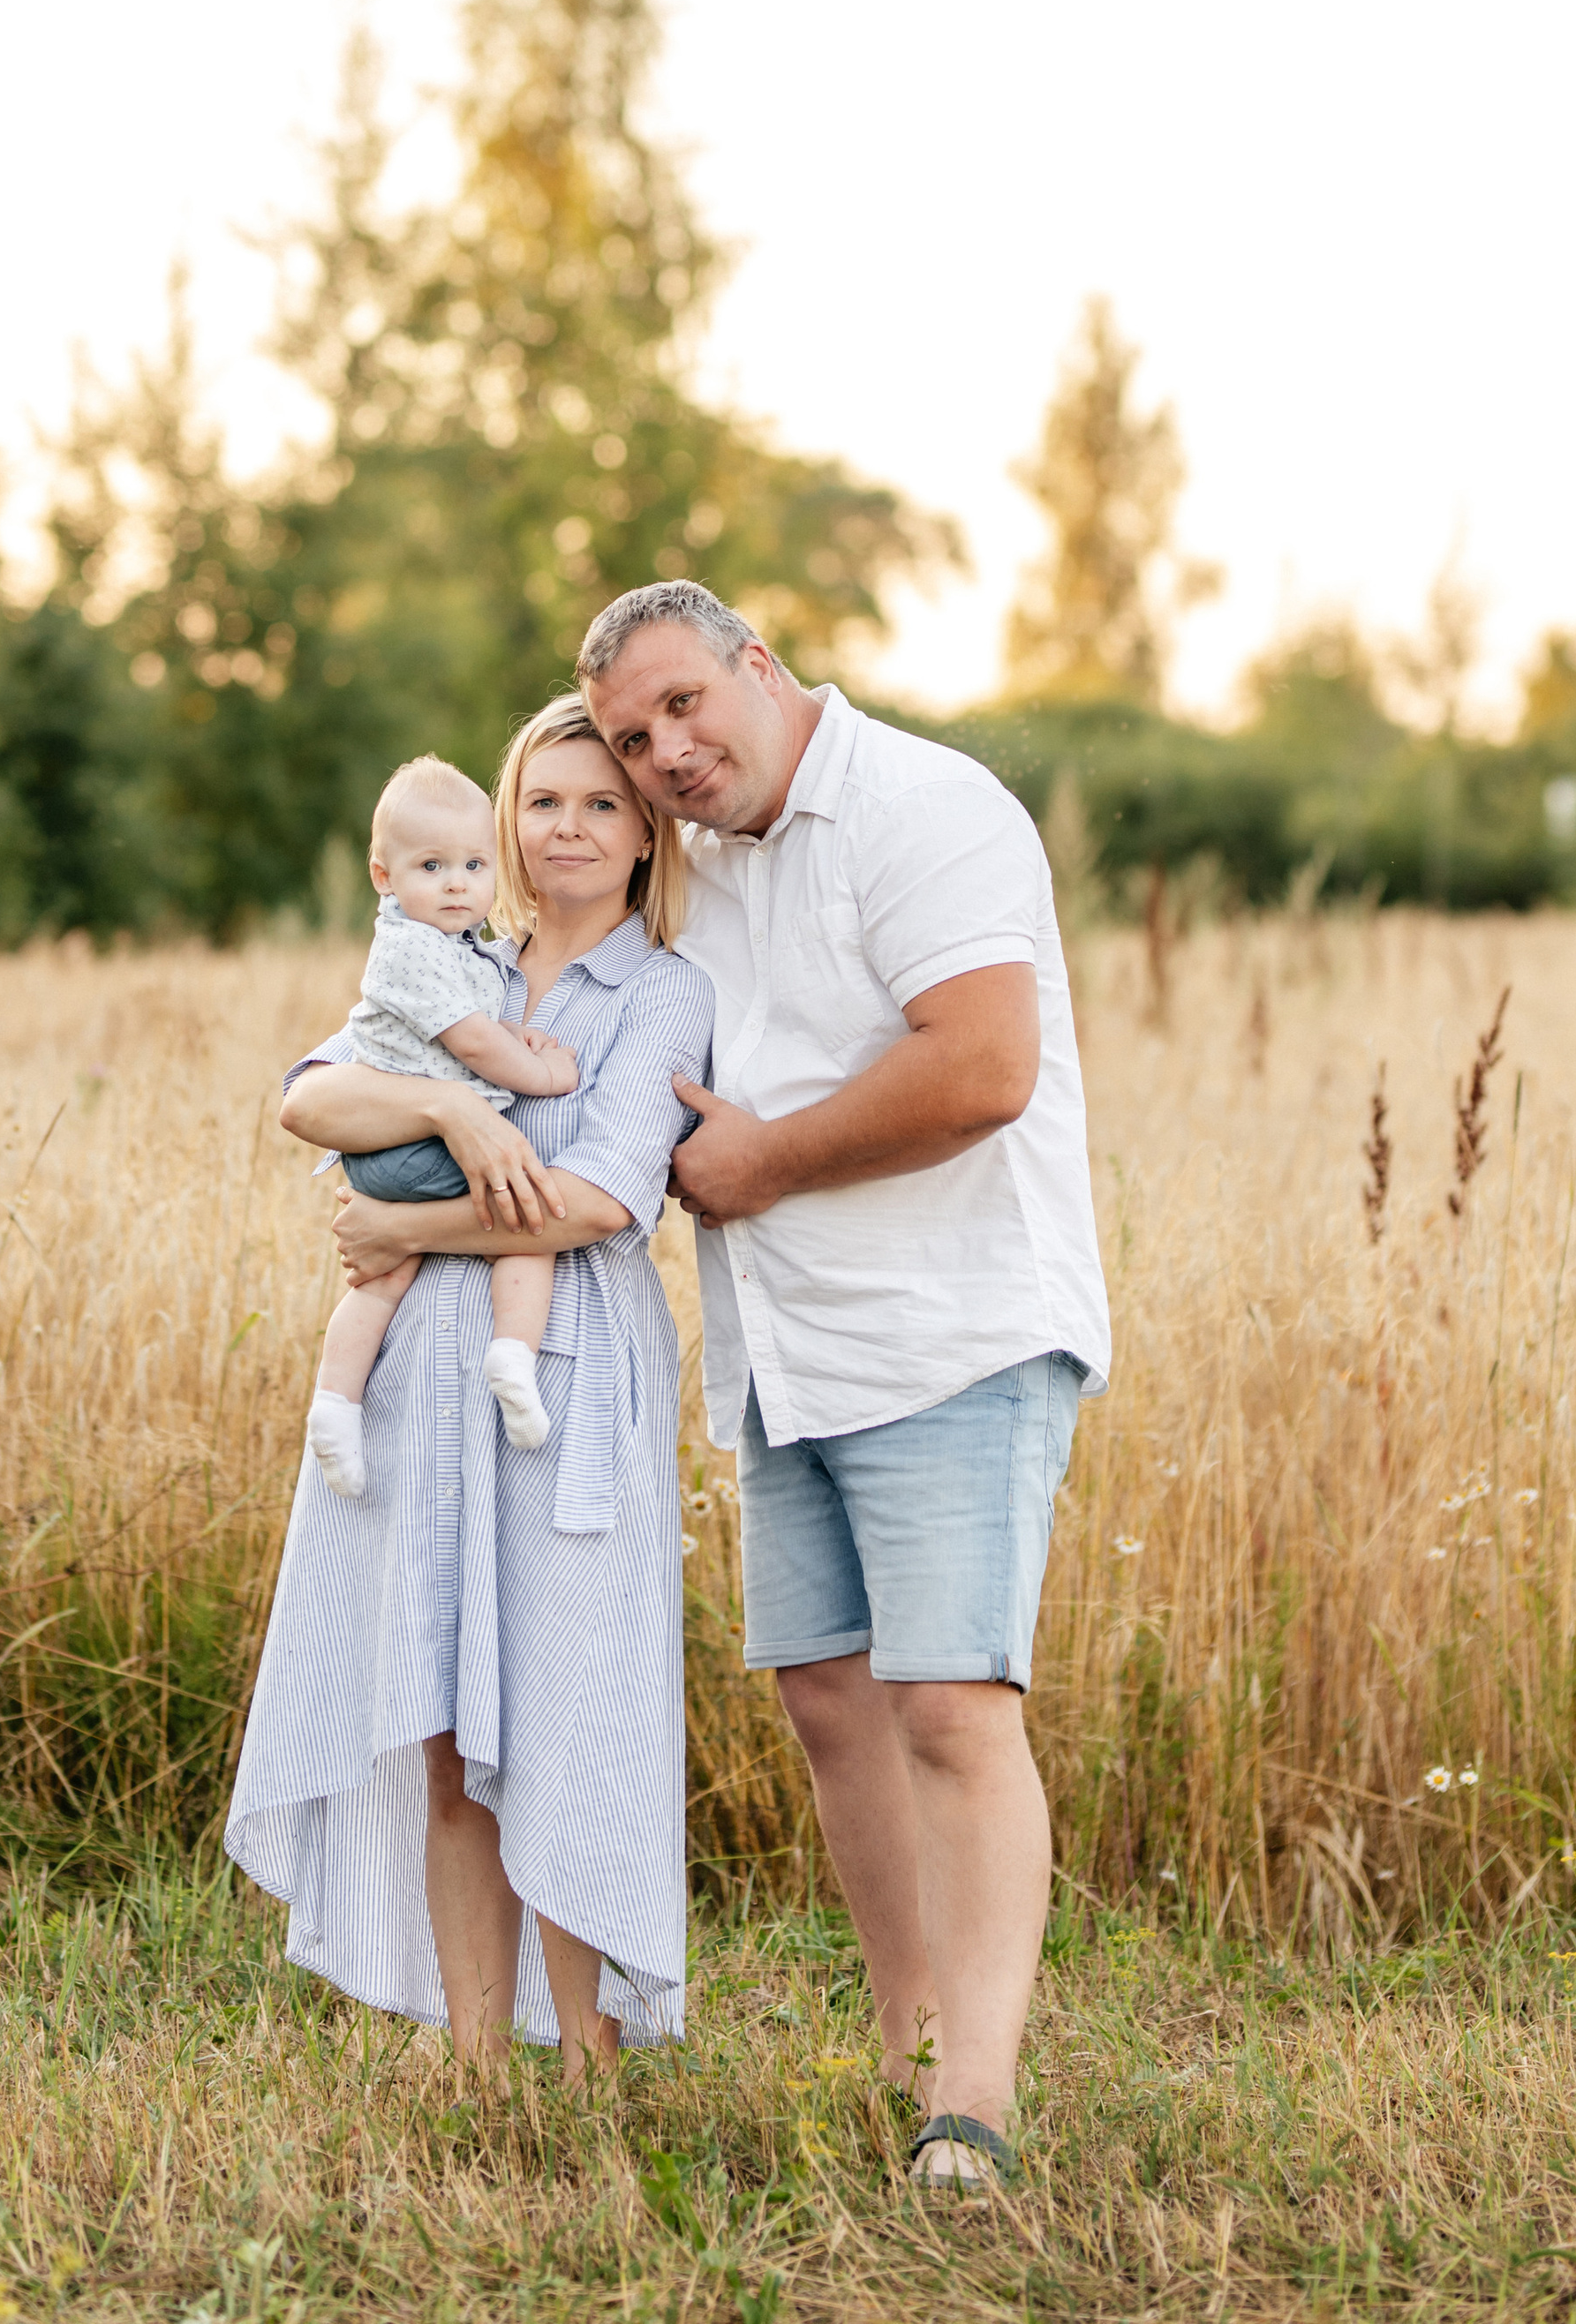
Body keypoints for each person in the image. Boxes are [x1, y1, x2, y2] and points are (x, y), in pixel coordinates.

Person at [578, 577, 1110, 2192]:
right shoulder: (702, 871)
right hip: (790, 1351)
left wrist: (761, 1163)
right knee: (831, 1702)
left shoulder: (923, 808)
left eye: (684, 706)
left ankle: (977, 2107)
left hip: (955, 1327)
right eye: (629, 736)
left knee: (950, 1703)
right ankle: (905, 2050)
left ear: (762, 663)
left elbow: (984, 1066)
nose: (664, 751)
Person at [226, 694, 715, 2081]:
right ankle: (482, 2070)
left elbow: (600, 1199)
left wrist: (403, 1228)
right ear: (506, 823)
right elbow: (311, 1097)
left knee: (568, 1717)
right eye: (545, 802)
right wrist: (446, 1108)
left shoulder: (665, 992)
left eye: (603, 806)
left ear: (643, 836)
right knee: (446, 1734)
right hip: (421, 1389)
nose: (570, 828)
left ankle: (594, 2075)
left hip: (567, 1379)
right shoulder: (449, 952)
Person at [302, 753, 583, 1498]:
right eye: (432, 865)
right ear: (383, 876)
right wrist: (547, 1072)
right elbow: (477, 1044)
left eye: (473, 864)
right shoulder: (411, 952)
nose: (458, 883)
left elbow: (483, 1025)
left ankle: (334, 1405)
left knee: (382, 1281)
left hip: (393, 1152)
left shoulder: (458, 948)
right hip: (413, 1148)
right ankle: (514, 1353)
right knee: (530, 1210)